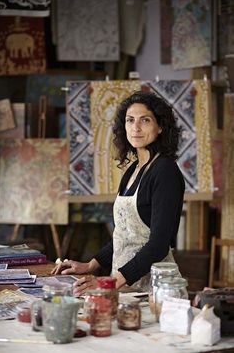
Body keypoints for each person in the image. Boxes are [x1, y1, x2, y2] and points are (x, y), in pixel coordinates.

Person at [51, 90, 185, 296]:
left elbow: (159, 245)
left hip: (154, 291)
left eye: (145, 120)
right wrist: (90, 266)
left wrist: (111, 282)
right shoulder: (133, 170)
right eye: (130, 120)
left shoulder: (165, 171)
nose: (136, 128)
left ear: (160, 127)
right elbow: (123, 235)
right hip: (124, 286)